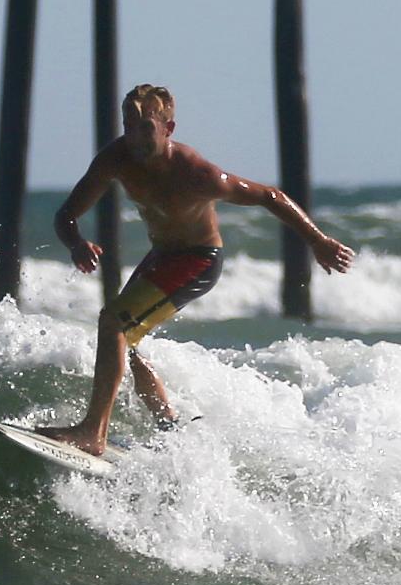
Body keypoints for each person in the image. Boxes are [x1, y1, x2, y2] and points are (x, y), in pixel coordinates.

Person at [36, 83, 354, 454]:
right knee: (126, 341)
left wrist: (317, 240)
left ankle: (93, 432)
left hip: (198, 259)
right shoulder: (115, 159)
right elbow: (66, 215)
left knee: (114, 324)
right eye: (128, 124)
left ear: (168, 129)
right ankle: (169, 426)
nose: (134, 137)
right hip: (162, 255)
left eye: (145, 128)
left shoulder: (198, 174)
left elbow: (271, 196)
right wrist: (75, 243)